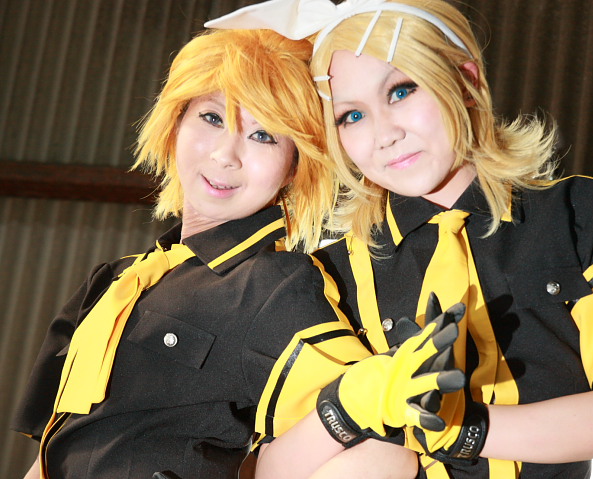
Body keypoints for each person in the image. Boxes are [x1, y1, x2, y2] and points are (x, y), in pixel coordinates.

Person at [205, 0, 593, 477]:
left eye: (401, 91)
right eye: (351, 116)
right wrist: (351, 404)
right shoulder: (329, 275)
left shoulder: (575, 213)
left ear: (466, 81)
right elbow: (270, 469)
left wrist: (465, 429)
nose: (384, 134)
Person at [10, 27, 462, 479]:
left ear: (294, 166)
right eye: (212, 117)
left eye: (263, 136)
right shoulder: (114, 281)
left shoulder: (274, 286)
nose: (226, 154)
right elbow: (49, 457)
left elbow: (385, 454)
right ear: (176, 120)